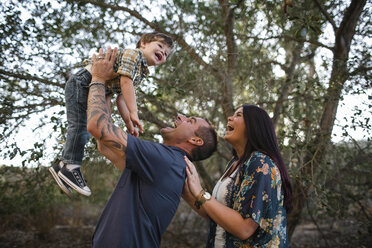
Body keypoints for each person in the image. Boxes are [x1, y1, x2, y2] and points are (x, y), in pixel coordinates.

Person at [86, 47, 218, 247]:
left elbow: (96, 126)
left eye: (189, 120)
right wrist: (107, 90)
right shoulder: (168, 164)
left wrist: (97, 78)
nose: (180, 116)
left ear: (195, 141)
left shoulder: (166, 159)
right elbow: (104, 145)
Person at [49, 32, 173, 197]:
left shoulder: (141, 72)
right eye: (160, 46)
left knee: (94, 126)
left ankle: (63, 166)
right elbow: (125, 82)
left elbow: (120, 99)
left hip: (96, 88)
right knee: (80, 126)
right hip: (82, 82)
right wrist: (134, 111)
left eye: (166, 54)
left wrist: (129, 122)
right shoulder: (133, 54)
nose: (162, 53)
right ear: (143, 43)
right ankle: (71, 166)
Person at [183, 104, 293, 247]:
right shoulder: (235, 163)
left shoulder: (261, 164)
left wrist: (200, 192)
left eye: (238, 115)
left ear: (254, 126)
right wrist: (185, 190)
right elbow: (214, 214)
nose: (230, 117)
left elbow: (245, 229)